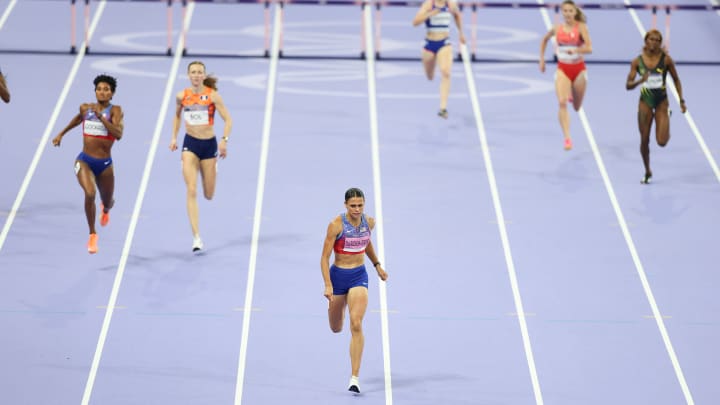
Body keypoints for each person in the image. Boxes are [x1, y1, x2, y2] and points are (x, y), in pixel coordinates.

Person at [320, 187, 388, 394]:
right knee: (336, 327)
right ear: (345, 205)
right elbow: (324, 257)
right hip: (338, 277)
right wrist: (328, 284)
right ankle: (339, 306)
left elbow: (366, 243)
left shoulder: (370, 222)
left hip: (359, 276)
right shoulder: (336, 225)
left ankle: (355, 377)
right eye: (353, 206)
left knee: (356, 323)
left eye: (360, 205)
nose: (357, 209)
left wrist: (377, 265)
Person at [52, 74, 124, 254]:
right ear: (95, 91)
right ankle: (92, 235)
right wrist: (61, 133)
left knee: (107, 200)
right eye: (99, 89)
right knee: (90, 192)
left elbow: (118, 134)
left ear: (112, 94)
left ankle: (106, 208)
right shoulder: (86, 108)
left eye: (106, 89)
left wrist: (102, 118)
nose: (102, 92)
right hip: (84, 160)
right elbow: (77, 119)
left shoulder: (115, 110)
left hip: (105, 164)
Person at [170, 61, 232, 252]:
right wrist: (174, 137)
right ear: (188, 75)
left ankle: (213, 168)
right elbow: (177, 116)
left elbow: (228, 119)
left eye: (199, 72)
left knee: (208, 194)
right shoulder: (182, 96)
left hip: (209, 145)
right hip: (190, 145)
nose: (196, 75)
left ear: (204, 76)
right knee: (191, 189)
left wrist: (224, 140)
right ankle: (196, 237)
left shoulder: (213, 96)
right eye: (193, 72)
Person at [625, 29, 686, 184]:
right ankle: (647, 171)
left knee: (661, 142)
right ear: (646, 41)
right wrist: (640, 81)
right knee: (644, 140)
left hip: (661, 102)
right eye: (651, 39)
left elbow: (676, 80)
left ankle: (667, 116)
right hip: (645, 102)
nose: (654, 42)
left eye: (657, 40)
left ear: (660, 43)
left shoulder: (666, 60)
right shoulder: (637, 62)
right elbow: (628, 85)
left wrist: (681, 100)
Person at [539, 0, 593, 150]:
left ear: (575, 13)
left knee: (576, 107)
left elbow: (589, 48)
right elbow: (544, 40)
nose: (568, 14)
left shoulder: (581, 28)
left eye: (570, 11)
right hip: (562, 69)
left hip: (579, 70)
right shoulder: (557, 29)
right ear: (562, 12)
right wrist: (542, 60)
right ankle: (567, 138)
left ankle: (572, 93)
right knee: (562, 102)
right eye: (565, 11)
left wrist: (576, 51)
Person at [412, 0, 465, 119]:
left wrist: (461, 33)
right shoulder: (428, 4)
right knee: (430, 76)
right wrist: (429, 14)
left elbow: (457, 16)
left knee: (446, 72)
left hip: (444, 43)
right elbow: (415, 22)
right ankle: (433, 66)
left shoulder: (451, 4)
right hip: (429, 45)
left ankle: (443, 108)